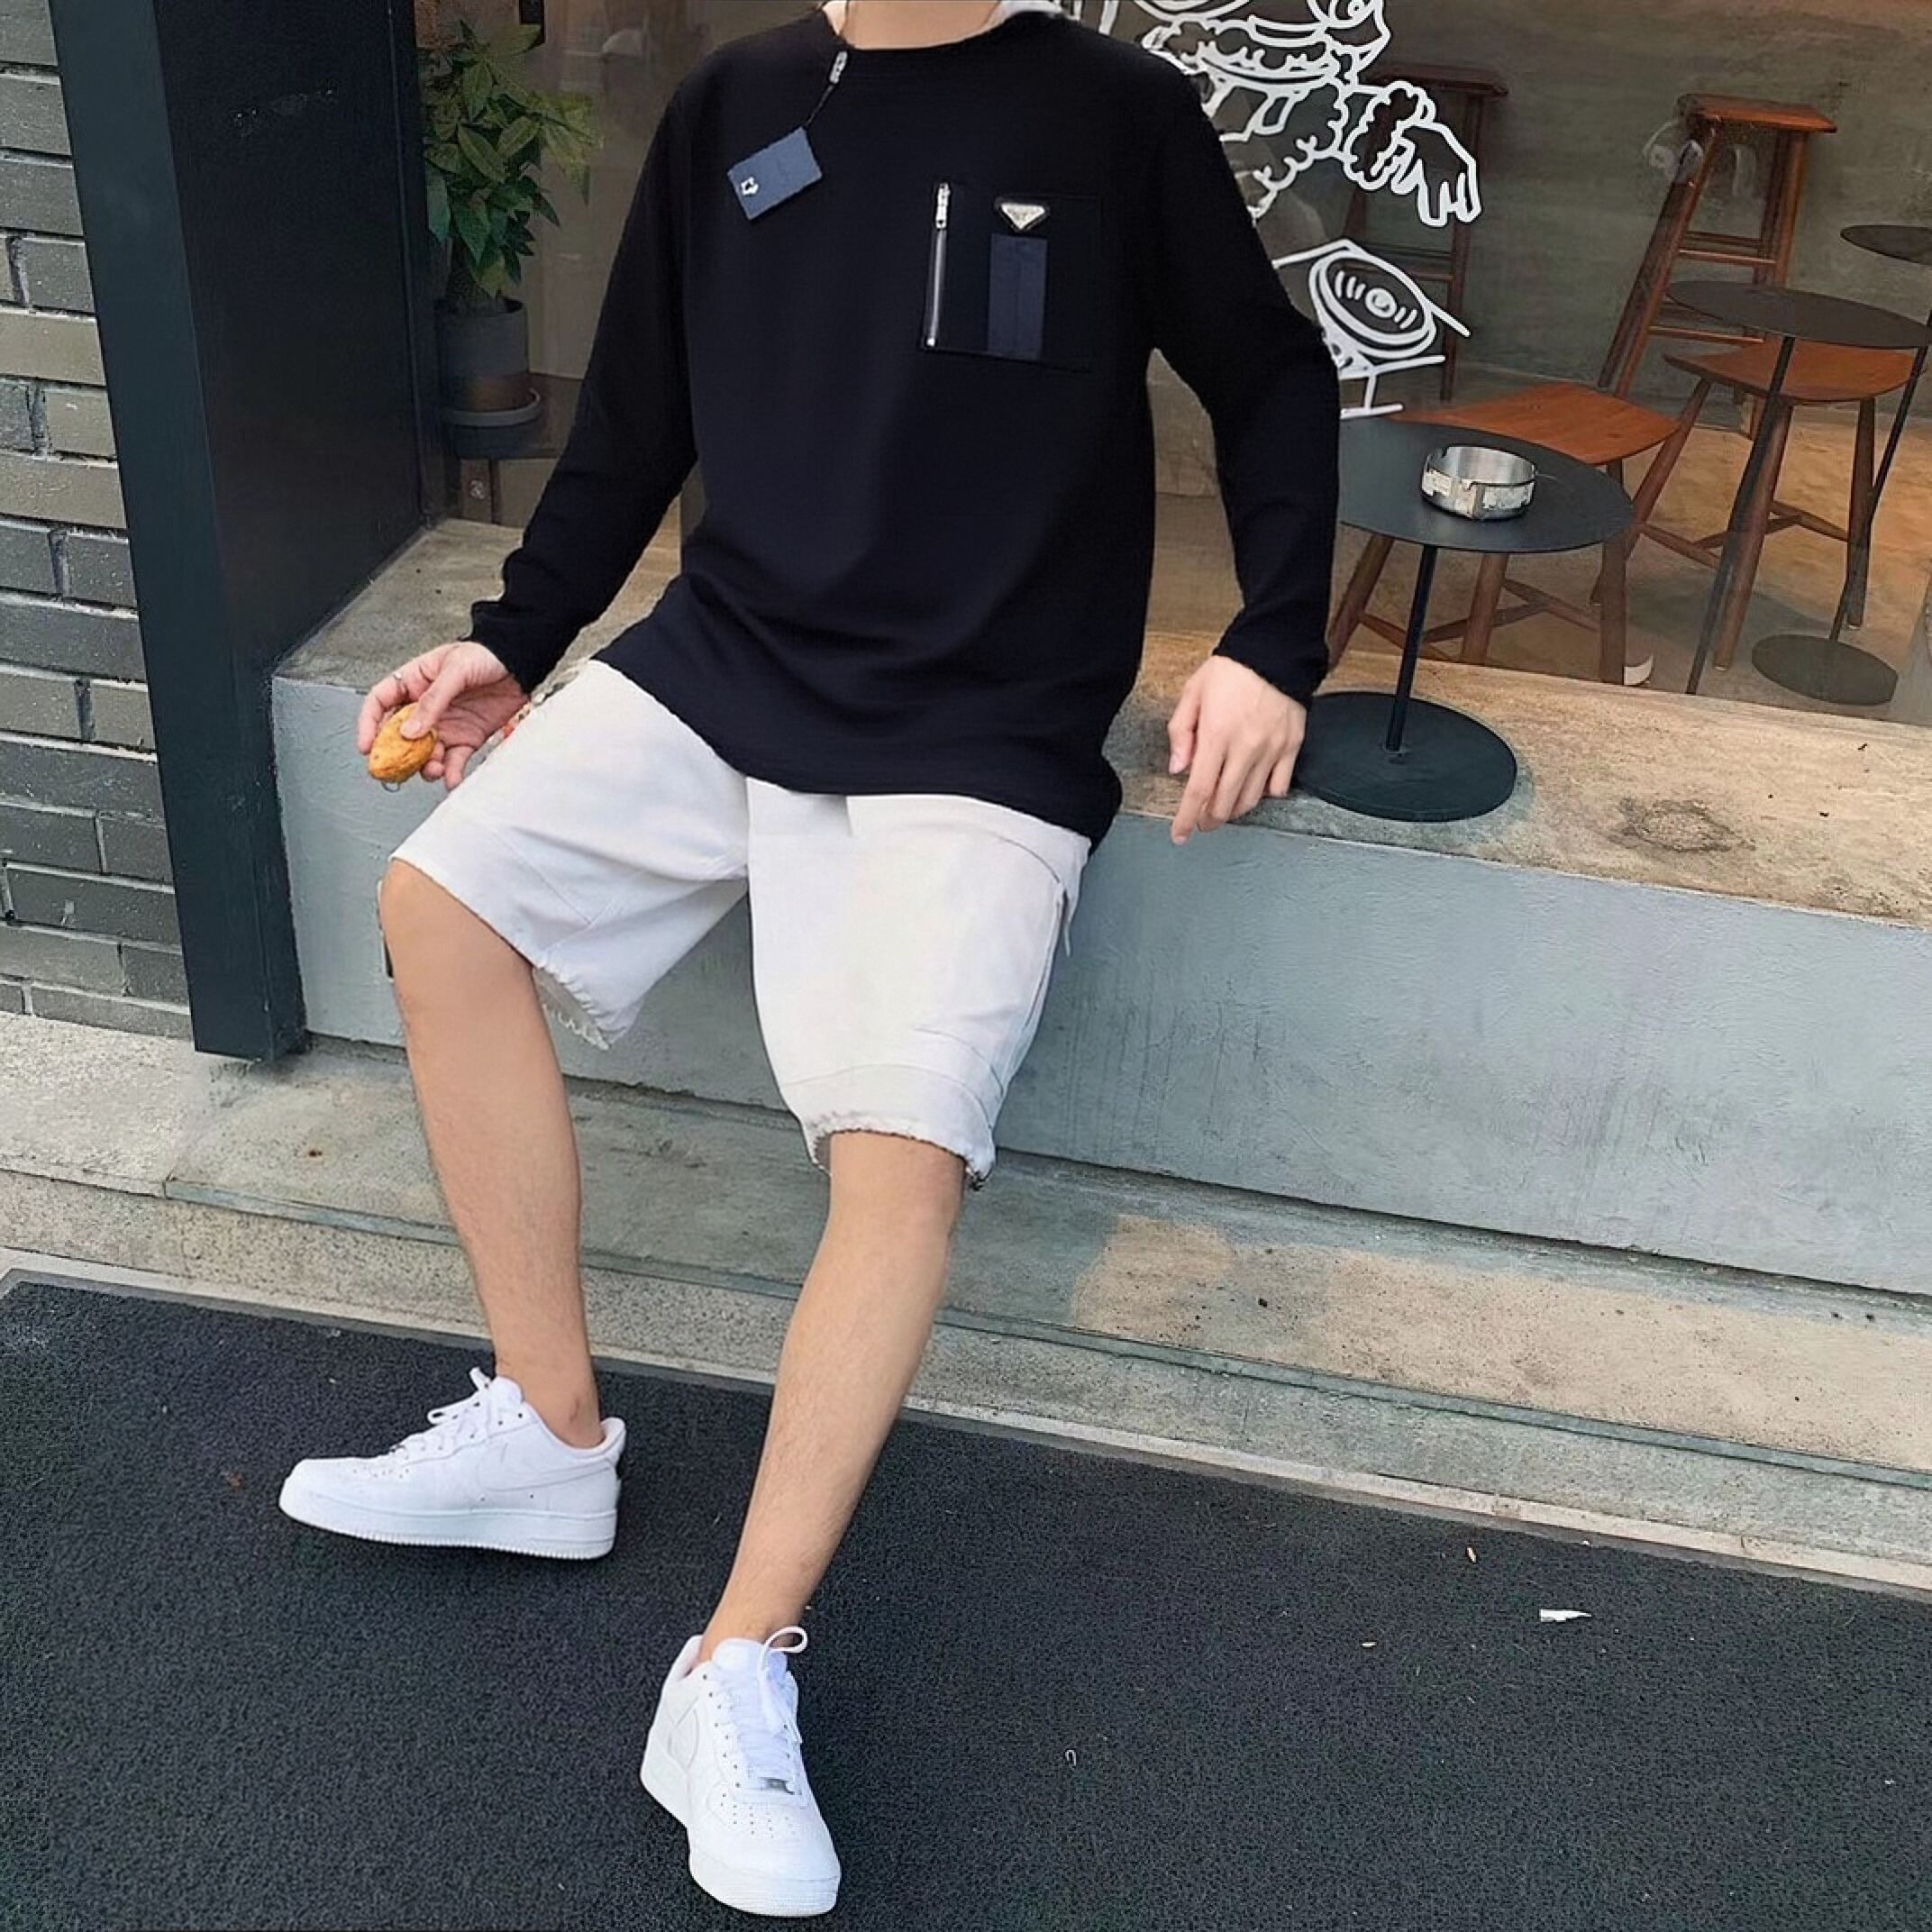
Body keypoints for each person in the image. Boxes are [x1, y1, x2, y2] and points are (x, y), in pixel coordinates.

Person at [278, 0, 1338, 1915]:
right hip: (732, 653)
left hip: (986, 718)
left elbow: (1269, 376)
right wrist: (513, 638)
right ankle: (549, 1431)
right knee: (441, 902)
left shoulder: (1116, 110)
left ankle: (734, 1665)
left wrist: (1273, 641)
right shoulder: (739, 102)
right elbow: (635, 420)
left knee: (902, 1143)